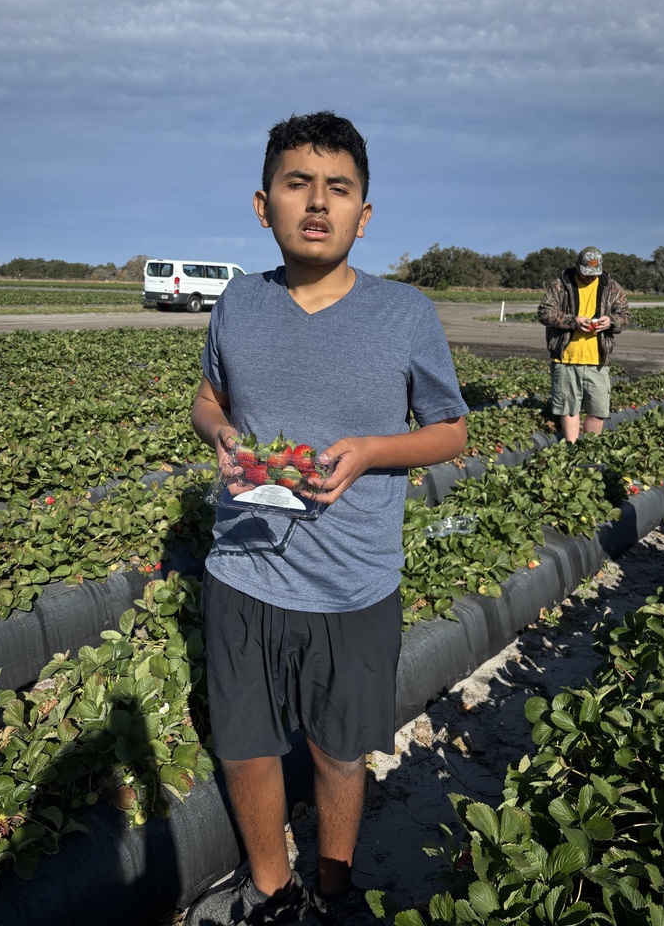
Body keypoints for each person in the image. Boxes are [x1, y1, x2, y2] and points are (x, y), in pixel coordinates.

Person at [187, 111, 468, 926]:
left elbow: (451, 429)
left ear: (363, 214)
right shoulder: (238, 303)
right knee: (244, 744)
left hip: (352, 581)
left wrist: (372, 451)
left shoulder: (404, 313)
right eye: (297, 184)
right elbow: (209, 398)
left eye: (337, 189)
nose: (317, 203)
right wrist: (223, 434)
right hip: (240, 569)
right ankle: (272, 891)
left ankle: (334, 891)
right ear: (262, 203)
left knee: (339, 753)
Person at [537, 247, 630, 444]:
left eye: (594, 274)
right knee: (568, 409)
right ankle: (572, 449)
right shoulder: (560, 285)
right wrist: (573, 321)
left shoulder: (611, 287)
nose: (590, 278)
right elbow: (544, 313)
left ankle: (589, 449)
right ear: (578, 266)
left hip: (597, 359)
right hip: (566, 357)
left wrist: (610, 321)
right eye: (586, 273)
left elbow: (625, 315)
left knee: (598, 410)